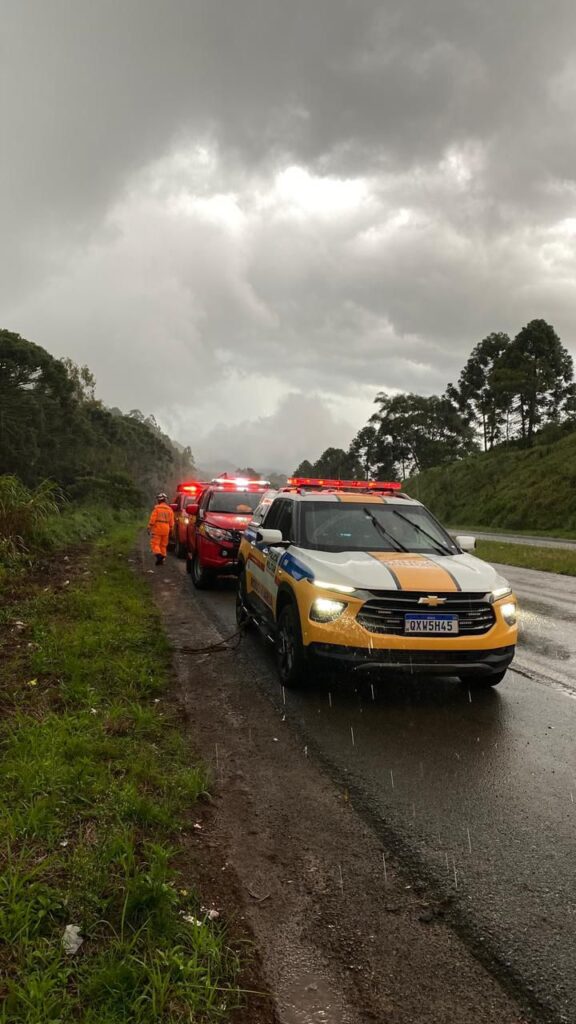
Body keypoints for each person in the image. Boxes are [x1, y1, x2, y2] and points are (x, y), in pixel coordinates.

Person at [148, 492, 175, 565]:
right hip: (166, 529)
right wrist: (171, 529)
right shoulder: (170, 510)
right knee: (163, 545)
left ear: (159, 500)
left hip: (157, 528)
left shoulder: (157, 509)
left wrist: (149, 527)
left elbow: (152, 519)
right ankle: (162, 560)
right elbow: (172, 522)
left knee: (155, 543)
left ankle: (159, 555)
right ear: (165, 500)